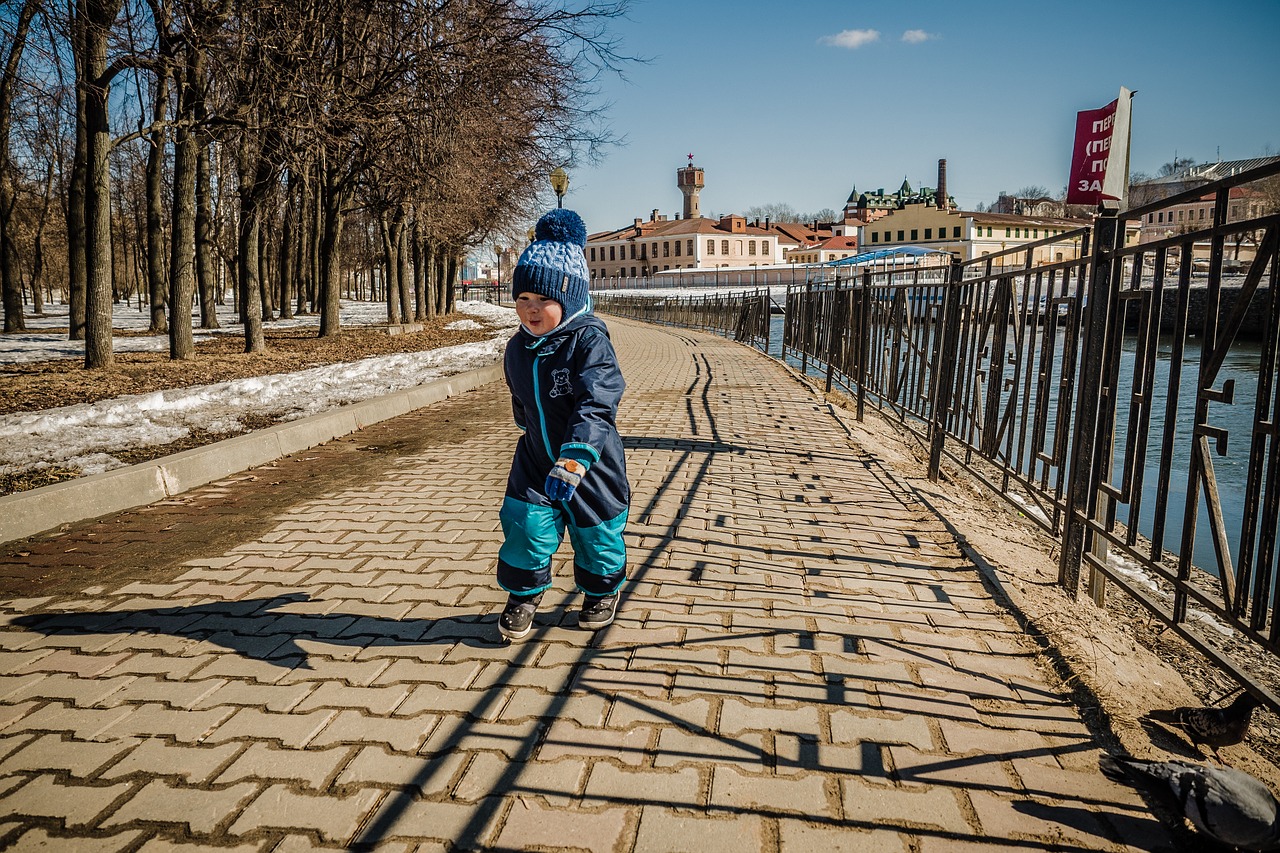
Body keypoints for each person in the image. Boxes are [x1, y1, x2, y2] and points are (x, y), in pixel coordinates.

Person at [495, 208, 629, 641]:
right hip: (536, 456)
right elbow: (520, 395)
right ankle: (524, 594)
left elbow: (598, 400)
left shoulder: (589, 341)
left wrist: (577, 455)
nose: (531, 311)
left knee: (596, 531)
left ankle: (599, 593)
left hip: (589, 463)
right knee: (526, 523)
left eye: (544, 302)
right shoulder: (518, 347)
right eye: (523, 299)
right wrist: (525, 423)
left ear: (569, 300)